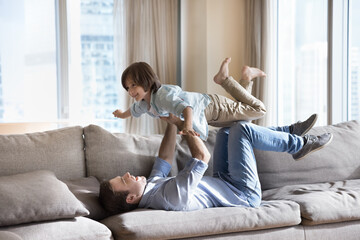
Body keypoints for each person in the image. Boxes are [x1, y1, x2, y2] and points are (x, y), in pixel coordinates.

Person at [99, 113, 332, 213]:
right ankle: (299, 144)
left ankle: (290, 131)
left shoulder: (152, 185)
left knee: (227, 133)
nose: (127, 174)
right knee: (242, 130)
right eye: (123, 180)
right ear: (131, 198)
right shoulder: (166, 198)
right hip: (243, 195)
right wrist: (184, 123)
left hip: (224, 180)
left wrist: (170, 121)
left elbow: (165, 157)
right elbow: (202, 158)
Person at [112, 57, 266, 140]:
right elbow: (132, 111)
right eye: (127, 88)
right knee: (244, 121)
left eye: (133, 85)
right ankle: (247, 77)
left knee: (259, 110)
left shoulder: (161, 97)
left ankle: (224, 79)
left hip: (212, 107)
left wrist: (188, 126)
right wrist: (121, 114)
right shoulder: (144, 103)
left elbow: (187, 108)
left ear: (146, 81)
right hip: (209, 116)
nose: (130, 91)